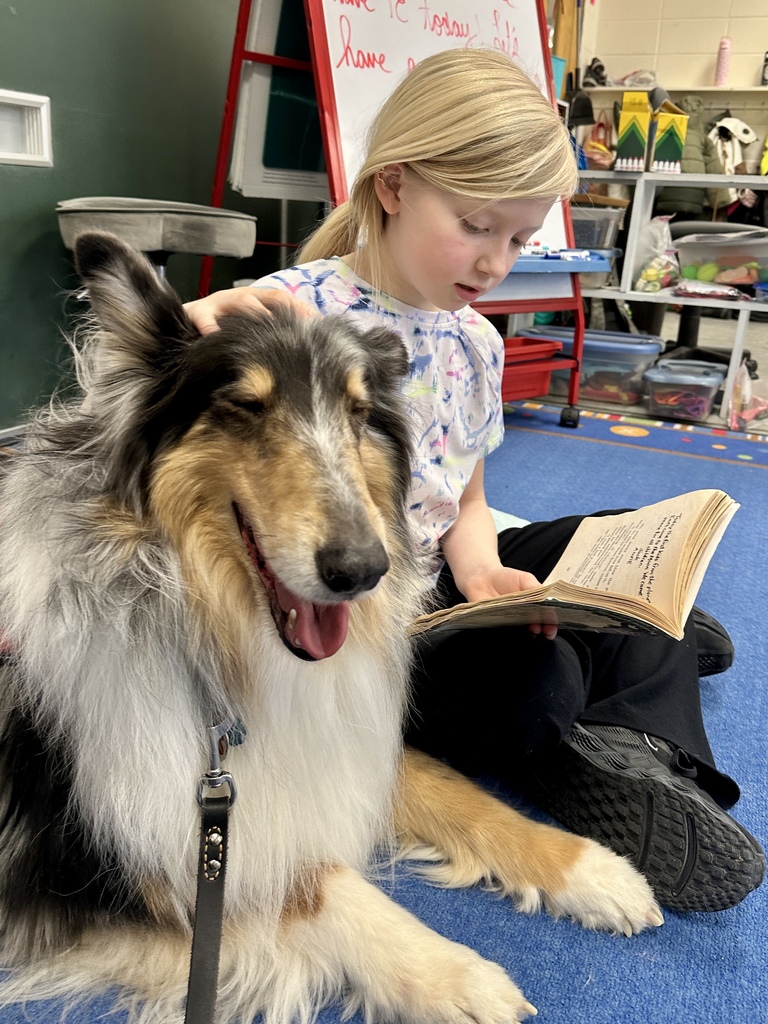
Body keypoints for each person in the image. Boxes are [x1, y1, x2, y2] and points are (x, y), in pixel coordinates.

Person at [184, 48, 765, 912]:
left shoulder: (475, 341)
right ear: (393, 186)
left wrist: (488, 572)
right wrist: (193, 330)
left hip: (445, 567)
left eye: (521, 239)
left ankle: (643, 745)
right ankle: (603, 686)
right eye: (476, 225)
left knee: (627, 544)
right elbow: (161, 402)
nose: (497, 262)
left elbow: (469, 496)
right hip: (362, 606)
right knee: (547, 678)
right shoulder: (294, 307)